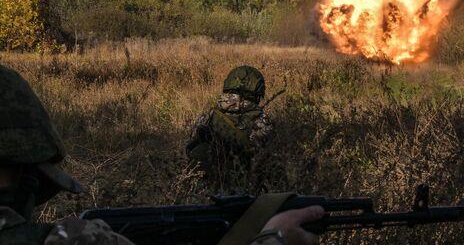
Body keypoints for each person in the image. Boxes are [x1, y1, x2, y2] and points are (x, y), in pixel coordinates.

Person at [0, 65, 322, 245]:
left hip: (203, 179)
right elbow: (267, 157)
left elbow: (190, 148)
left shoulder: (209, 114)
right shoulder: (262, 119)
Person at [186, 66, 272, 170]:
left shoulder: (210, 114)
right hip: (239, 179)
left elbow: (190, 145)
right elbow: (262, 155)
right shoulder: (261, 119)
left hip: (203, 176)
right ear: (257, 89)